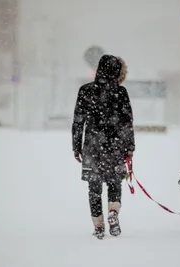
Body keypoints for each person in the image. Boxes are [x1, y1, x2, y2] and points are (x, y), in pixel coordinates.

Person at [72, 54, 135, 239]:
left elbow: (78, 122)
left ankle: (98, 226)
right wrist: (129, 147)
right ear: (116, 71)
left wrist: (76, 146)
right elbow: (127, 122)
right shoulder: (121, 92)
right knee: (115, 184)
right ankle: (113, 212)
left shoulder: (85, 90)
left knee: (94, 188)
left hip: (92, 147)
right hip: (115, 147)